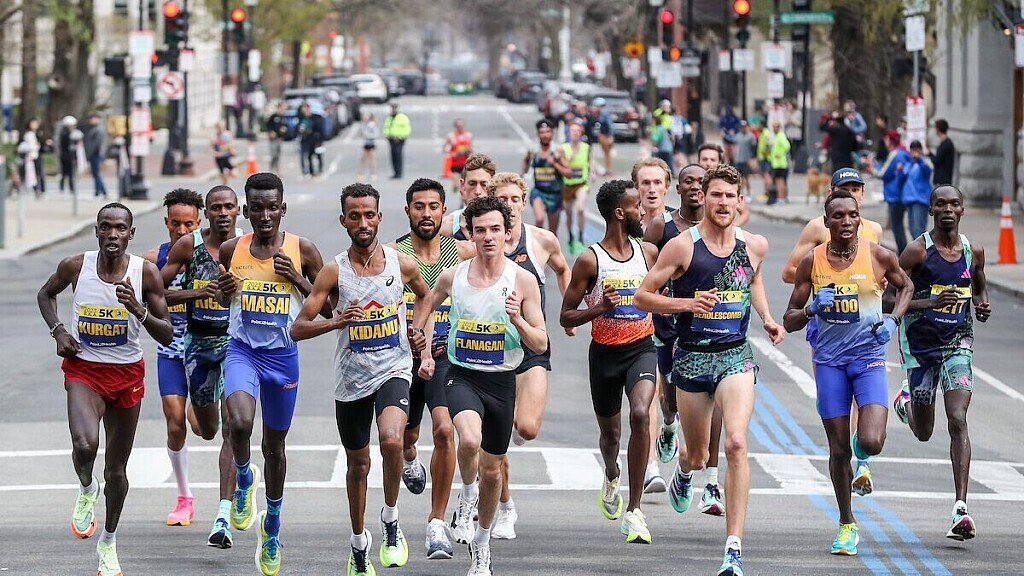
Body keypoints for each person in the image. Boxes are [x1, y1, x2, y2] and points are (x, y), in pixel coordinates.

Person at [635, 163, 784, 576]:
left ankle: (733, 548)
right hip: (692, 357)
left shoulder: (755, 245)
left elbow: (753, 279)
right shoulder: (682, 247)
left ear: (740, 200)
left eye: (729, 196)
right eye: (715, 194)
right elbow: (643, 296)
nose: (722, 202)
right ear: (704, 197)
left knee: (735, 443)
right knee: (699, 454)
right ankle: (685, 468)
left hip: (735, 356)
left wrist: (767, 317)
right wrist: (687, 304)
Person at [290, 183, 433, 575]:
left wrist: (416, 328)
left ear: (380, 217)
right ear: (344, 221)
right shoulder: (334, 271)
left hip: (394, 368)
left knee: (392, 440)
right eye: (355, 216)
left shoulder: (400, 264)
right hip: (351, 379)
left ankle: (390, 520)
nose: (363, 223)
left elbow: (426, 295)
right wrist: (336, 322)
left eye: (370, 215)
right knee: (359, 464)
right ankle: (358, 544)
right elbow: (298, 328)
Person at [411, 195, 547, 576]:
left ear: (507, 234)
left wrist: (518, 321)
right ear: (470, 233)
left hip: (501, 380)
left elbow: (540, 342)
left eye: (495, 230)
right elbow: (426, 303)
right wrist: (422, 347)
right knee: (468, 440)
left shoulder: (522, 281)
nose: (488, 237)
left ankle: (482, 545)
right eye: (480, 230)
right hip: (462, 374)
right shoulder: (453, 276)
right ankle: (467, 493)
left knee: (493, 472)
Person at [37, 203, 173, 576]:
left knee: (116, 471)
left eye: (120, 228)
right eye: (106, 227)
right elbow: (45, 295)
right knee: (85, 446)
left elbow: (167, 333)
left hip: (127, 375)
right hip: (85, 370)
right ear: (96, 231)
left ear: (131, 234)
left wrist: (139, 310)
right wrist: (59, 331)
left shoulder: (145, 274)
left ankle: (108, 542)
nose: (113, 234)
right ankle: (86, 487)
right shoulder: (75, 267)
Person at [782, 190, 912, 557]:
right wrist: (811, 310)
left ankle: (865, 440)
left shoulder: (879, 256)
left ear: (859, 218)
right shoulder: (812, 262)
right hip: (830, 363)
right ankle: (846, 523)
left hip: (868, 357)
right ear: (826, 222)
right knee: (838, 449)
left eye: (852, 215)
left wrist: (893, 319)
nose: (846, 222)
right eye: (837, 216)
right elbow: (789, 319)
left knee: (871, 442)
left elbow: (906, 286)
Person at [214, 172, 327, 576]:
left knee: (275, 447)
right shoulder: (232, 248)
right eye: (257, 208)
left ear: (283, 209)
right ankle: (245, 479)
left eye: (272, 208)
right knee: (240, 423)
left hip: (282, 358)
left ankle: (273, 526)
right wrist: (224, 291)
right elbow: (222, 297)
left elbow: (329, 307)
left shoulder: (303, 249)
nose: (265, 215)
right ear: (246, 211)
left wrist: (296, 277)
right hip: (242, 350)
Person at [560, 179, 659, 543]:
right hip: (604, 355)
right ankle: (611, 472)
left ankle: (634, 511)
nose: (643, 212)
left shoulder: (648, 253)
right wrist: (600, 307)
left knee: (641, 414)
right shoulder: (591, 260)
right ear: (620, 213)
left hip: (641, 348)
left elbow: (662, 294)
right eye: (636, 207)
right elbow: (566, 315)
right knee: (611, 435)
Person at [890, 185, 992, 541]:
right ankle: (905, 403)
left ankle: (960, 508)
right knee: (923, 432)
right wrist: (928, 304)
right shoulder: (917, 252)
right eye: (941, 204)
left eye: (954, 204)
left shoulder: (973, 251)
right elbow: (888, 299)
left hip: (957, 343)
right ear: (931, 210)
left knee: (958, 418)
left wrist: (981, 304)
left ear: (962, 210)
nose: (948, 209)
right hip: (920, 347)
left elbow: (979, 286)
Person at [781, 168, 884, 495]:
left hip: (864, 333)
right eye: (845, 188)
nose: (852, 193)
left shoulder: (874, 230)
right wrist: (825, 282)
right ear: (831, 194)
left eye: (857, 188)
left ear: (863, 195)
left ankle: (862, 459)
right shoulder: (817, 228)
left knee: (864, 405)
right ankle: (835, 413)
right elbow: (789, 271)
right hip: (826, 328)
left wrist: (874, 286)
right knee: (839, 400)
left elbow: (885, 278)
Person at [390, 178, 475, 560]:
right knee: (406, 437)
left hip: (445, 356)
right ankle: (410, 457)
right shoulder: (393, 255)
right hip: (401, 358)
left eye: (433, 206)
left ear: (444, 211)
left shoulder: (463, 253)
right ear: (407, 210)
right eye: (419, 206)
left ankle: (436, 523)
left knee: (444, 430)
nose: (427, 213)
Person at [159, 185, 244, 548]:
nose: (223, 213)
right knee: (208, 430)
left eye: (229, 206)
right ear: (206, 213)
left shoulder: (248, 245)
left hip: (238, 345)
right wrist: (198, 293)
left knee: (234, 427)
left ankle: (223, 514)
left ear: (238, 210)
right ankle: (241, 469)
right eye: (216, 208)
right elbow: (156, 292)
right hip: (199, 347)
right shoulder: (187, 246)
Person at [489, 173, 573, 540]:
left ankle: (509, 423)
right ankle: (505, 505)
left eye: (514, 199)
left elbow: (564, 269)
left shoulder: (541, 240)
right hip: (489, 350)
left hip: (530, 346)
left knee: (526, 428)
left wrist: (569, 313)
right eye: (501, 199)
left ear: (524, 202)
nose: (508, 205)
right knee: (494, 440)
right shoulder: (479, 242)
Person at [644, 163, 728, 517]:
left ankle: (712, 481)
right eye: (688, 181)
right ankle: (668, 427)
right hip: (669, 327)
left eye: (699, 182)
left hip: (714, 333)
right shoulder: (662, 227)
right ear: (678, 189)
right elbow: (646, 273)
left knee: (718, 401)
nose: (694, 187)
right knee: (670, 402)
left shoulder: (723, 229)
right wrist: (664, 299)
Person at [144, 188, 205, 527]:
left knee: (201, 426)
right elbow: (149, 299)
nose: (182, 231)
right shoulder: (154, 258)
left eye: (189, 224)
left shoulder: (212, 253)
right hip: (170, 349)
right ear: (166, 222)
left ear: (199, 222)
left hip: (206, 349)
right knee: (175, 421)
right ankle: (184, 497)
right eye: (175, 224)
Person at [522, 119, 571, 236]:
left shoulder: (558, 151)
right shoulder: (534, 150)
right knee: (539, 220)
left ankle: (551, 247)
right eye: (542, 132)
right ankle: (536, 245)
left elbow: (569, 173)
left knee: (552, 232)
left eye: (548, 132)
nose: (545, 135)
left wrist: (555, 164)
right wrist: (522, 173)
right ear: (538, 133)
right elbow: (525, 165)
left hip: (555, 194)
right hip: (539, 192)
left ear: (552, 133)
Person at [441, 153, 498, 240]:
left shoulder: (505, 226)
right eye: (472, 184)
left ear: (493, 187)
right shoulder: (446, 228)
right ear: (462, 185)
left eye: (484, 185)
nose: (477, 191)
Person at [694, 143, 749, 227]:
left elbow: (745, 213)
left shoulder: (727, 185)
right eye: (704, 159)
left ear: (719, 162)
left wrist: (731, 229)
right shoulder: (693, 185)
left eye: (712, 160)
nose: (708, 163)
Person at [877, 133, 912, 254]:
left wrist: (872, 167)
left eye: (886, 140)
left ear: (890, 141)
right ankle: (903, 251)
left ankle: (902, 252)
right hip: (902, 194)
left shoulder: (895, 154)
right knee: (899, 224)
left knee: (897, 226)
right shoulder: (905, 153)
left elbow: (883, 173)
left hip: (894, 194)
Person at [563, 121, 592, 255]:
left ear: (581, 133)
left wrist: (593, 172)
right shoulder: (563, 148)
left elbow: (589, 161)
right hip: (567, 185)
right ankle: (570, 235)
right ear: (569, 133)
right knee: (568, 213)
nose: (575, 133)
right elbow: (562, 164)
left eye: (577, 131)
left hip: (581, 183)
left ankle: (580, 236)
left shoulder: (586, 147)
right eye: (573, 131)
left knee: (580, 209)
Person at [900, 140, 934, 241]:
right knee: (911, 229)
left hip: (920, 199)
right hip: (909, 199)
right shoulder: (908, 164)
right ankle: (917, 249)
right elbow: (903, 177)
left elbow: (927, 170)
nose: (914, 153)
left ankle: (923, 249)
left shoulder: (924, 162)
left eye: (917, 150)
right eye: (912, 150)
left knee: (918, 229)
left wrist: (920, 159)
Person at [587, 98, 615, 177]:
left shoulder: (605, 114)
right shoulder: (600, 113)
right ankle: (607, 170)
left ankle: (609, 170)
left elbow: (610, 125)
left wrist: (611, 136)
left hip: (606, 136)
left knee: (607, 154)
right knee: (606, 154)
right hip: (602, 136)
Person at [445, 118, 474, 192]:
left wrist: (467, 150)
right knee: (458, 185)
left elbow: (471, 149)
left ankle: (462, 198)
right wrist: (450, 152)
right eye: (458, 126)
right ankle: (455, 185)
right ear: (455, 126)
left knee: (464, 185)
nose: (460, 127)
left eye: (461, 126)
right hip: (455, 164)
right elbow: (445, 148)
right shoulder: (451, 136)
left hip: (465, 163)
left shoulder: (468, 135)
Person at [384, 102, 411, 179]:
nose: (393, 110)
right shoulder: (390, 118)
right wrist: (386, 135)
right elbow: (386, 127)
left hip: (399, 139)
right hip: (391, 139)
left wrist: (400, 137)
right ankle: (395, 172)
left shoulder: (402, 117)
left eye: (394, 108)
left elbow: (407, 128)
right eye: (392, 108)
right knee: (393, 156)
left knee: (398, 155)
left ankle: (399, 172)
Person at [84, 113, 108, 197]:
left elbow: (97, 144)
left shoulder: (98, 130)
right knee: (95, 173)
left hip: (95, 154)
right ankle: (100, 190)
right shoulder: (94, 129)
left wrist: (91, 153)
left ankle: (100, 190)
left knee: (96, 173)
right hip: (95, 154)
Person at [297, 102, 323, 179]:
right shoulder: (301, 118)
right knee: (308, 156)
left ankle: (319, 171)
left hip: (315, 140)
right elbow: (298, 128)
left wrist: (320, 140)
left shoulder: (315, 117)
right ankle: (310, 172)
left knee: (318, 155)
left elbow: (319, 129)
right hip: (305, 140)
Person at [733, 122, 757, 195]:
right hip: (738, 159)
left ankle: (748, 192)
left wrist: (753, 159)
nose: (743, 128)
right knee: (739, 178)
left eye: (744, 127)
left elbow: (754, 148)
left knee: (747, 177)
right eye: (742, 127)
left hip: (746, 160)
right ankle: (742, 192)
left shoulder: (750, 136)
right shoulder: (737, 136)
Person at [930, 119, 955, 186]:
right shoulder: (946, 143)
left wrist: (929, 155)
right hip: (942, 180)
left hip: (942, 181)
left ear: (938, 129)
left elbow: (937, 160)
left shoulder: (946, 144)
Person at [58, 115, 79, 194]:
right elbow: (69, 144)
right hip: (67, 155)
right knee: (68, 172)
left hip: (66, 155)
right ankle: (68, 187)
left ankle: (64, 186)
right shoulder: (66, 134)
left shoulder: (65, 132)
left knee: (66, 173)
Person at [265, 101, 288, 173]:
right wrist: (271, 132)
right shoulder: (274, 116)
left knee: (278, 155)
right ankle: (272, 169)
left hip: (279, 138)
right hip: (273, 138)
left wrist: (284, 130)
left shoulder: (283, 117)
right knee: (273, 154)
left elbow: (286, 127)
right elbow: (268, 125)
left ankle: (277, 170)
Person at [211, 121, 235, 186]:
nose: (220, 129)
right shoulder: (214, 136)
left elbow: (231, 144)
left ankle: (226, 180)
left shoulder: (228, 134)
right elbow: (209, 147)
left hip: (226, 156)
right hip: (219, 158)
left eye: (222, 127)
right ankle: (225, 185)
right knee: (223, 173)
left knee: (234, 173)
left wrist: (232, 150)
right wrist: (215, 153)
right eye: (219, 127)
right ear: (216, 128)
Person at [358, 113, 380, 181]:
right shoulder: (363, 125)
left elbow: (376, 134)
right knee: (362, 159)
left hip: (372, 144)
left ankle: (373, 174)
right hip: (365, 144)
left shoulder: (372, 125)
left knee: (372, 159)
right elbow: (361, 132)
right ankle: (361, 174)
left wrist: (367, 135)